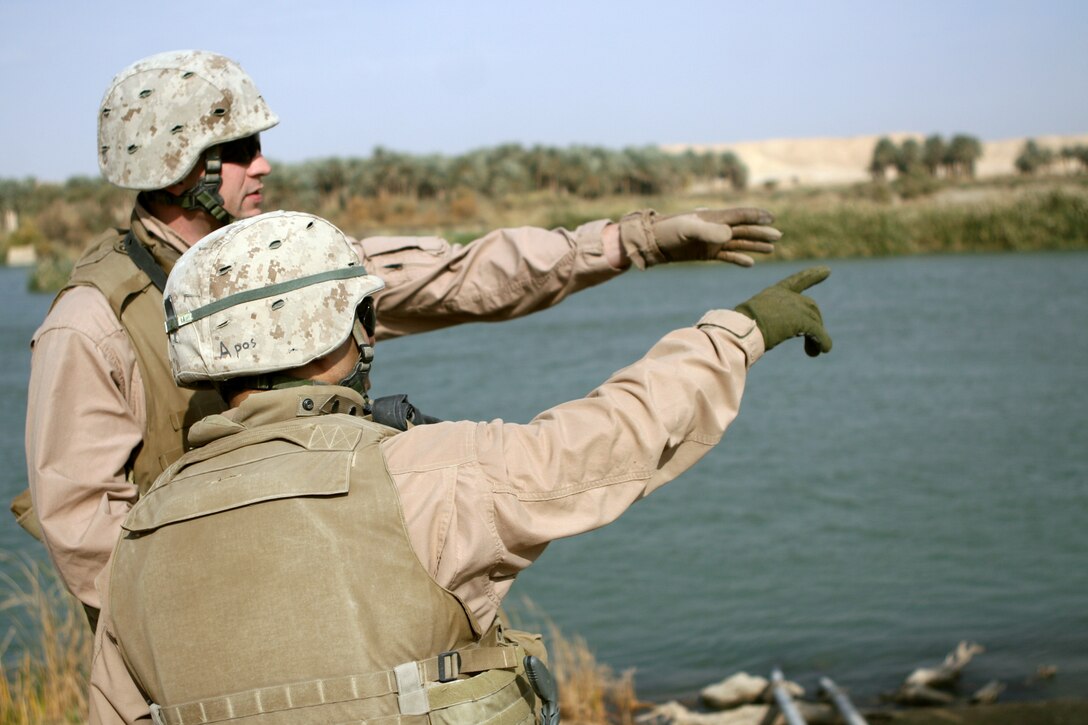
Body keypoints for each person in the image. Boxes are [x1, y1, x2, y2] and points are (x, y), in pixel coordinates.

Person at [21, 49, 783, 628]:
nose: (265, 165)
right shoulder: (93, 324)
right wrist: (231, 633)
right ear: (178, 168)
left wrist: (636, 241)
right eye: (242, 150)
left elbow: (465, 275)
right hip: (216, 640)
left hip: (332, 607)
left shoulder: (292, 264)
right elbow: (91, 538)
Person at [87, 210, 832, 723]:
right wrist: (738, 332)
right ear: (336, 337)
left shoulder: (138, 537)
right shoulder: (421, 476)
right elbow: (609, 437)